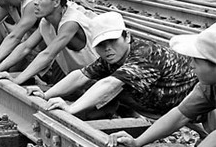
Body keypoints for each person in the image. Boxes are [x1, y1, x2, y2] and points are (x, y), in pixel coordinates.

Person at [30, 11, 198, 121]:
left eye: (112, 41)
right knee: (98, 85)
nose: (107, 48)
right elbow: (81, 75)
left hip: (201, 105)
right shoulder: (113, 56)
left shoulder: (145, 54)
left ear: (127, 37)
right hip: (173, 108)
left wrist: (71, 109)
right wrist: (46, 94)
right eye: (101, 45)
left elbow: (110, 83)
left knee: (110, 86)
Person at [107, 24, 216, 147]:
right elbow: (180, 115)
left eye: (196, 60)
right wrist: (137, 142)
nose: (191, 65)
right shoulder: (208, 86)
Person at [0, 0, 97, 85]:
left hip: (98, 79)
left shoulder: (71, 22)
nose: (35, 2)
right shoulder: (46, 21)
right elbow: (26, 46)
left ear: (56, 2)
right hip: (79, 78)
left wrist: (16, 80)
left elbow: (48, 54)